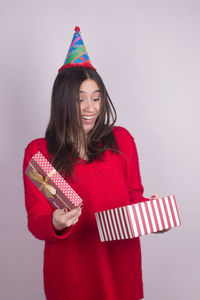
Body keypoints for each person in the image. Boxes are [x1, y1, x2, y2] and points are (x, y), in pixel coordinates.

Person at [23, 27, 164, 300]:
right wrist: (56, 221)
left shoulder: (122, 141)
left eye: (96, 98)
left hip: (121, 268)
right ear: (62, 103)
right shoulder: (39, 153)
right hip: (71, 276)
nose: (91, 108)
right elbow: (37, 218)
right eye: (80, 99)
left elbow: (133, 197)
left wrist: (153, 215)